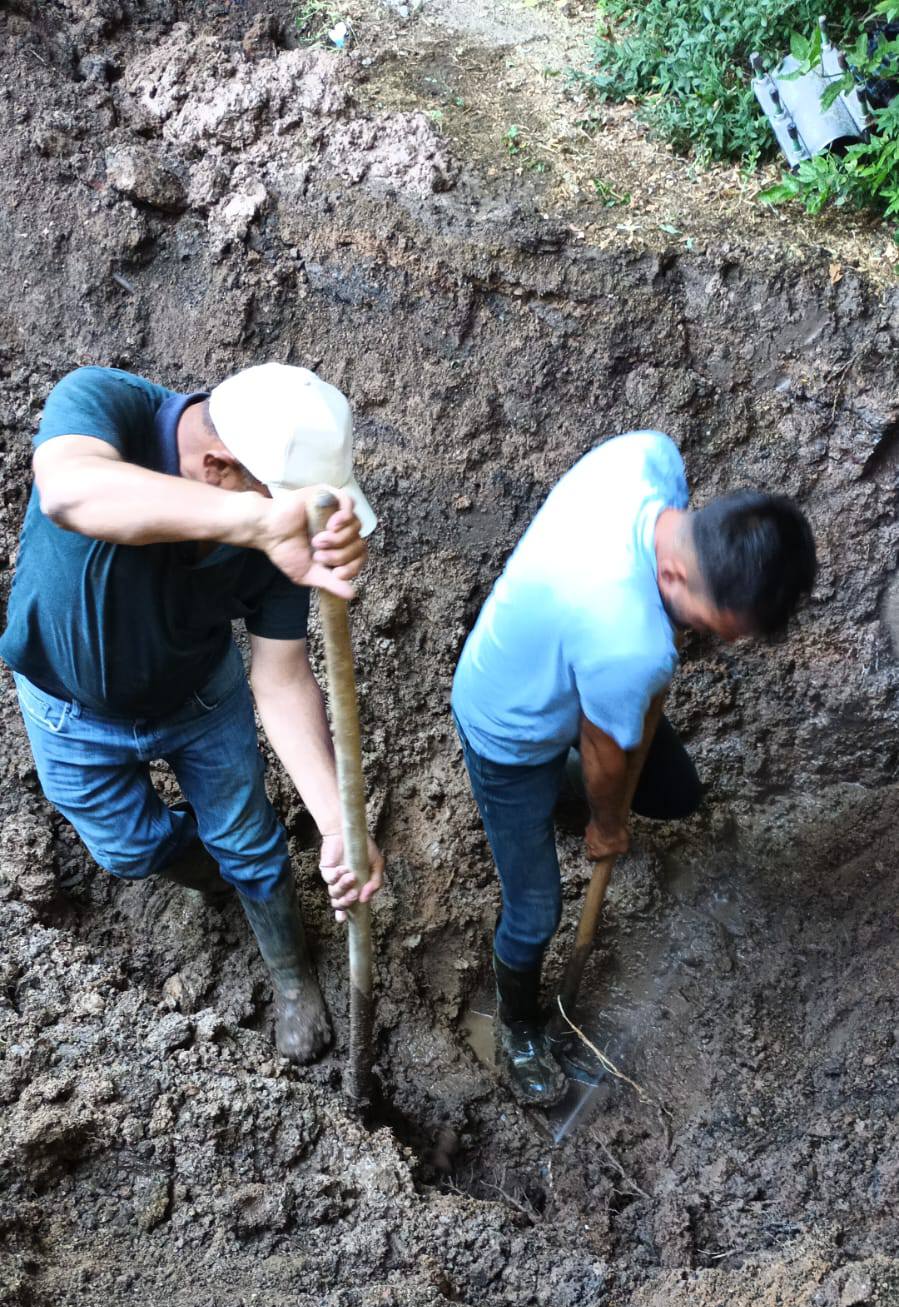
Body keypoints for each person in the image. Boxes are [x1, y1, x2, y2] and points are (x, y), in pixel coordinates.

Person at [0, 362, 384, 1064]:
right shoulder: (107, 404)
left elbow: (281, 677)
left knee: (250, 844)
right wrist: (261, 521)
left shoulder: (284, 541)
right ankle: (212, 874)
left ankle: (290, 972)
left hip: (202, 701)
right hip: (67, 712)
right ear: (217, 467)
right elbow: (70, 491)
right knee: (128, 849)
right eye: (275, 500)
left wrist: (337, 824)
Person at [451, 430, 816, 1107]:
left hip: (574, 667)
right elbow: (604, 756)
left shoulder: (649, 459)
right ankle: (518, 1024)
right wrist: (605, 822)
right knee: (535, 910)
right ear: (673, 578)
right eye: (721, 624)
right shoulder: (630, 641)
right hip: (508, 729)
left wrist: (610, 792)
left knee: (674, 793)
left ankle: (559, 796)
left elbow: (619, 725)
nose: (725, 639)